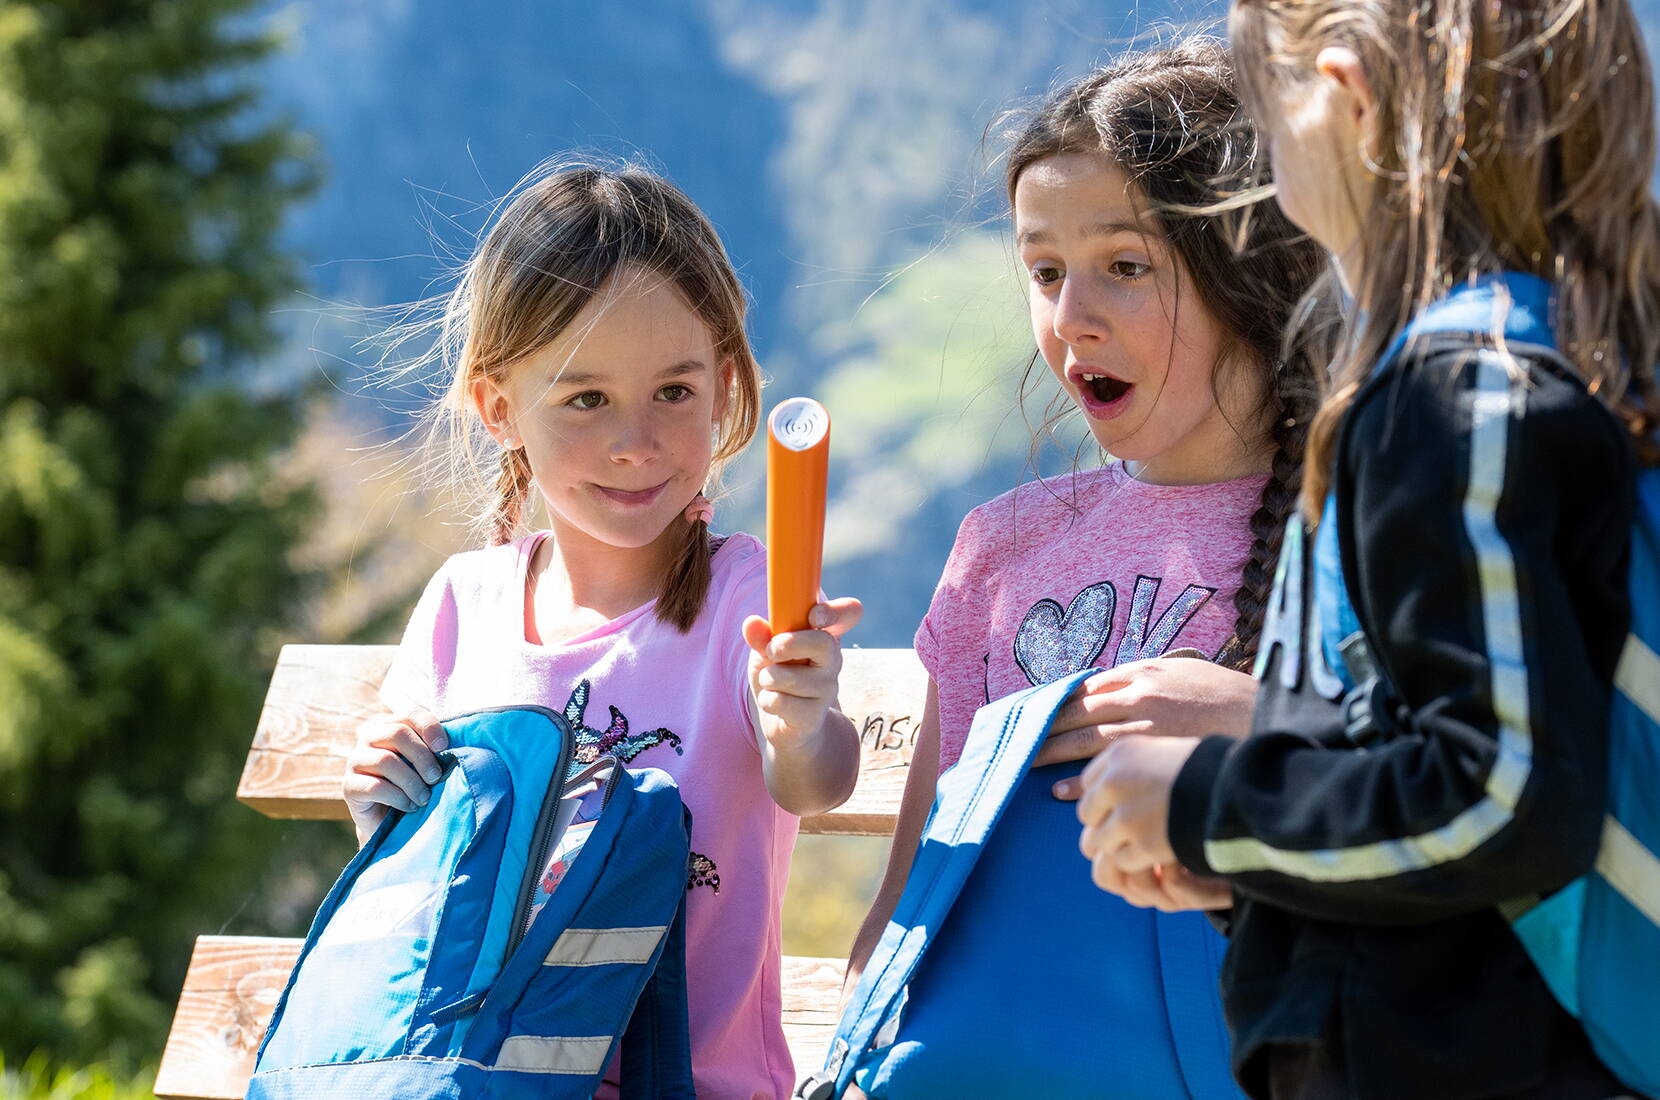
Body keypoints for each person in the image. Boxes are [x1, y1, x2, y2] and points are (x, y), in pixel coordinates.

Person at [1075, 1, 1660, 1097]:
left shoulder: (1451, 400)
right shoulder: (1560, 364)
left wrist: (1211, 800)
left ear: (1342, 98)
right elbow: (1418, 753)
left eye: (1263, 99)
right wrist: (1252, 860)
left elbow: (1501, 791)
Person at [340, 161, 864, 1099]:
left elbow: (813, 782)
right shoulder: (467, 603)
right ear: (500, 408)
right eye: (586, 400)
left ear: (725, 385)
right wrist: (381, 789)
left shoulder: (747, 594)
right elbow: (418, 864)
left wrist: (804, 719)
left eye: (675, 391)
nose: (638, 442)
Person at [845, 36, 1328, 996]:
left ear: (1251, 270)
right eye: (1047, 272)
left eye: (1125, 266)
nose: (1071, 319)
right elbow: (909, 902)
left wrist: (1267, 721)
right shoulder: (1002, 546)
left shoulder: (1359, 523)